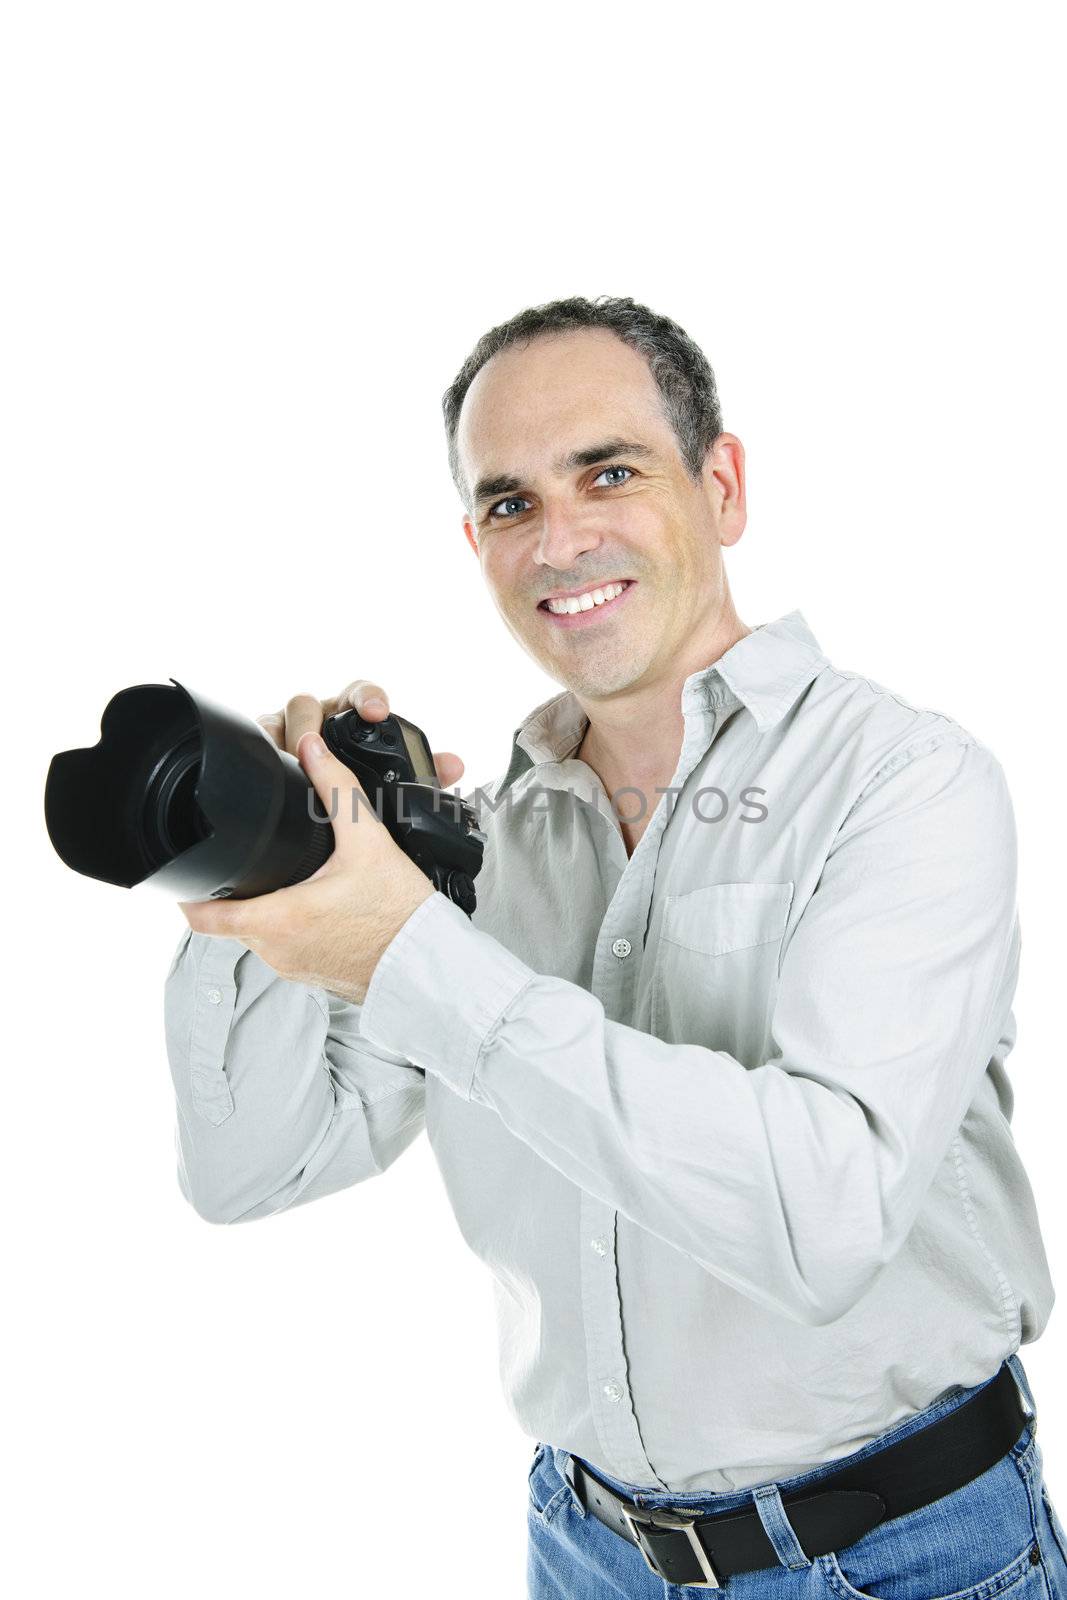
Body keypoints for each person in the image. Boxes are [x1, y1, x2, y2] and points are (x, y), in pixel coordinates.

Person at [166, 296, 1063, 1598]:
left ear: (722, 483)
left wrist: (412, 949)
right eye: (512, 503)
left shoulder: (906, 784)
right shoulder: (470, 852)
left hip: (899, 1557)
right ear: (476, 543)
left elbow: (825, 1217)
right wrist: (273, 862)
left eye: (610, 472)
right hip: (587, 1552)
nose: (560, 536)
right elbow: (251, 1170)